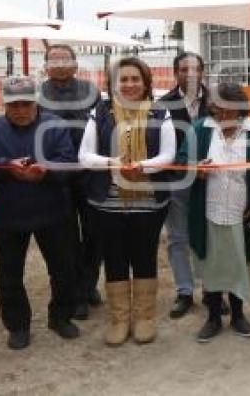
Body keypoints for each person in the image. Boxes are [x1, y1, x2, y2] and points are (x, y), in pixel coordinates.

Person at [0, 76, 80, 350]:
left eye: (26, 104)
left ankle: (61, 317)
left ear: (36, 102)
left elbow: (69, 164)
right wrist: (6, 166)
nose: (20, 110)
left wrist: (45, 170)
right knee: (9, 274)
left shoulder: (54, 125)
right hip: (10, 214)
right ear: (4, 104)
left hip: (53, 210)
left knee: (63, 269)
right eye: (14, 104)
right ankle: (18, 326)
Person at [78, 57, 175, 346]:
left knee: (144, 256)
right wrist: (113, 163)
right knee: (115, 260)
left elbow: (169, 155)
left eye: (136, 79)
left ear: (146, 82)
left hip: (149, 202)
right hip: (108, 203)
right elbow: (84, 155)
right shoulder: (100, 112)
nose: (130, 84)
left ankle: (144, 317)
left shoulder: (161, 112)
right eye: (124, 79)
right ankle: (120, 319)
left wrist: (142, 166)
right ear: (113, 84)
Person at [179, 82, 250, 342]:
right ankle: (212, 317)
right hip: (208, 210)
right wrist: (195, 169)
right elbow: (181, 161)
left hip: (240, 212)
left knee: (238, 264)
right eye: (217, 109)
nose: (221, 116)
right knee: (210, 264)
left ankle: (238, 315)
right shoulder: (200, 129)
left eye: (228, 110)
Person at [39, 44, 103, 320]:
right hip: (56, 176)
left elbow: (101, 126)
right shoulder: (37, 94)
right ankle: (75, 292)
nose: (60, 64)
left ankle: (89, 285)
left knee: (94, 234)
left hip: (89, 173)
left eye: (65, 59)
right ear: (46, 66)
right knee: (65, 238)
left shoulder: (91, 91)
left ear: (76, 65)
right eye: (53, 60)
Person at [158, 51, 210, 319]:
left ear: (202, 72)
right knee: (177, 237)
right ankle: (185, 291)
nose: (189, 74)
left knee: (209, 235)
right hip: (176, 182)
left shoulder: (216, 102)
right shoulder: (162, 105)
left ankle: (213, 290)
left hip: (210, 181)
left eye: (194, 69)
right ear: (175, 73)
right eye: (183, 70)